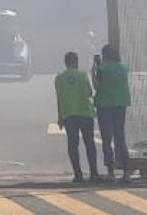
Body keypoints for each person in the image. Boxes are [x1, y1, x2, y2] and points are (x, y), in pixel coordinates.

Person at [55, 52, 99, 183]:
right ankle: (94, 173)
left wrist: (60, 117)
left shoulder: (59, 79)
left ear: (65, 62)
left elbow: (59, 99)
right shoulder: (82, 75)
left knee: (73, 145)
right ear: (76, 62)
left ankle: (78, 174)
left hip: (69, 114)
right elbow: (90, 93)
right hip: (85, 113)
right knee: (89, 144)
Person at [93, 43, 131, 182]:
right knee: (120, 137)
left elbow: (97, 86)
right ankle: (127, 172)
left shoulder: (102, 68)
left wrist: (95, 67)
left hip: (105, 105)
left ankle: (111, 171)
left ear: (105, 56)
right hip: (121, 104)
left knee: (107, 139)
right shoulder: (124, 67)